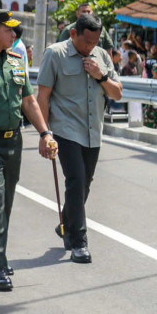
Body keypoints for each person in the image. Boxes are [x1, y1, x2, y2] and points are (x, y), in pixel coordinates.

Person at [0, 10, 55, 292]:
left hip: (13, 140)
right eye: (9, 30)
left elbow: (29, 101)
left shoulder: (16, 62)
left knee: (6, 200)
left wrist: (45, 133)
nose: (14, 35)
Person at [37, 14, 122, 263]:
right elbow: (43, 96)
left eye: (95, 41)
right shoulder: (55, 54)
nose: (90, 47)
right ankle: (79, 242)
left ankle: (67, 221)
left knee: (85, 184)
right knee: (76, 180)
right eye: (87, 42)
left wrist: (101, 75)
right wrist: (45, 134)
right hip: (66, 129)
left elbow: (117, 93)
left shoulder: (102, 56)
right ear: (74, 34)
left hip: (93, 131)